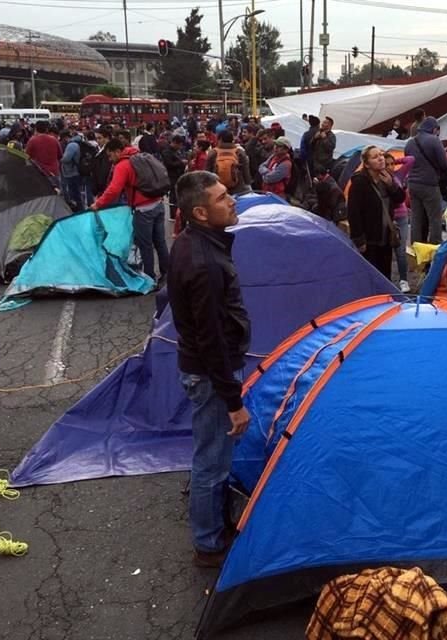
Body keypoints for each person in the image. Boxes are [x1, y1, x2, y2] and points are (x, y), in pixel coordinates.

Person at [168, 171, 250, 568]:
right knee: (212, 463)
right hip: (212, 373)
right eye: (222, 198)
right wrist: (233, 401)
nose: (231, 201)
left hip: (203, 368)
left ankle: (214, 525)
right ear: (200, 212)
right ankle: (209, 544)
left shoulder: (195, 243)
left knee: (213, 455)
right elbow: (212, 339)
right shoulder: (204, 262)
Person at [90, 140, 169, 282]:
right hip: (158, 204)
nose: (109, 159)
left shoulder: (123, 165)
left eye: (110, 156)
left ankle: (149, 277)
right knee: (160, 242)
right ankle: (167, 273)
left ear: (117, 151)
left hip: (143, 209)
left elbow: (114, 189)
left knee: (145, 245)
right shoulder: (140, 156)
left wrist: (98, 204)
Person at [347, 146, 405, 278]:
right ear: (366, 164)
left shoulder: (387, 176)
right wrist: (359, 240)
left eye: (381, 155)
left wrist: (392, 185)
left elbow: (400, 198)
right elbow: (353, 212)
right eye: (375, 157)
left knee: (385, 275)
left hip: (386, 237)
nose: (380, 159)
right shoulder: (360, 182)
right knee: (370, 276)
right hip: (370, 239)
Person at [405, 116, 447, 244]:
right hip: (429, 184)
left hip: (412, 184)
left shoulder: (410, 142)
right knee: (434, 219)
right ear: (435, 129)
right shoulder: (434, 141)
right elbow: (444, 163)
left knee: (416, 218)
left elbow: (408, 162)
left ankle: (416, 247)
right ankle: (434, 247)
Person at [385, 152, 415, 292]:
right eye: (387, 164)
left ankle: (403, 280)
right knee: (386, 250)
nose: (390, 167)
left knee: (400, 250)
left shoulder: (398, 175)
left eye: (392, 164)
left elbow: (410, 160)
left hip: (401, 217)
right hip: (387, 218)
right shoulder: (379, 179)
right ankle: (386, 279)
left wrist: (395, 160)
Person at [206, 130, 252, 195]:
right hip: (238, 188)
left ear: (220, 139)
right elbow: (246, 171)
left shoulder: (213, 152)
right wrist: (248, 183)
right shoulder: (239, 152)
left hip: (219, 188)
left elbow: (207, 172)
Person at [25, 120, 63, 186]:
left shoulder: (32, 140)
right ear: (46, 129)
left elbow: (26, 156)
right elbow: (60, 155)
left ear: (35, 129)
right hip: (54, 172)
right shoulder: (54, 140)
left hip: (39, 173)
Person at [60, 129, 88, 209]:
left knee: (75, 192)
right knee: (77, 191)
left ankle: (79, 208)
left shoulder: (71, 145)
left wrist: (60, 159)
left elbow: (66, 159)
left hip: (72, 171)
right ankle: (80, 207)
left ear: (65, 137)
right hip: (76, 170)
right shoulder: (77, 143)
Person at [161, 135, 188, 211]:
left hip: (179, 175)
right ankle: (173, 213)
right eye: (179, 145)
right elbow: (168, 164)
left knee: (177, 195)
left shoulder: (176, 151)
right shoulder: (166, 152)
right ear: (175, 143)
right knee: (173, 195)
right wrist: (181, 163)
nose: (180, 147)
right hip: (172, 176)